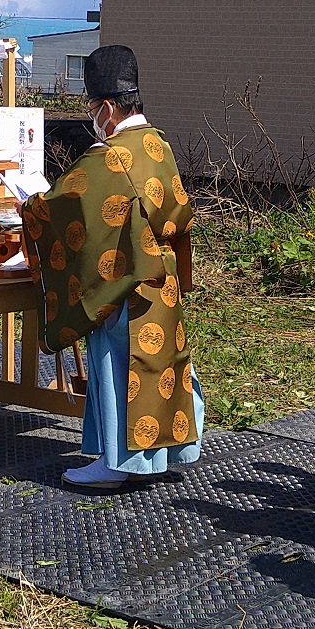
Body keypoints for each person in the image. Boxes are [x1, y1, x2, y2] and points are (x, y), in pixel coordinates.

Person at [20, 45, 201, 490]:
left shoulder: (110, 156)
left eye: (90, 109)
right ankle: (162, 454)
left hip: (127, 283)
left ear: (105, 107)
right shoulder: (158, 144)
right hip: (164, 281)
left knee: (120, 367)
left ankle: (117, 463)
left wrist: (29, 208)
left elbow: (66, 209)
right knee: (160, 367)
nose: (91, 118)